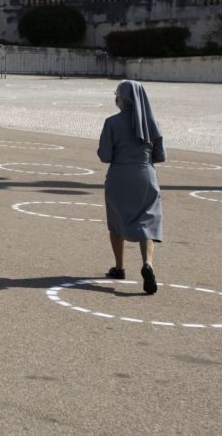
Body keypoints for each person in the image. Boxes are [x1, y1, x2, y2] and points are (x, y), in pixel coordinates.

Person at [97, 80, 165, 294]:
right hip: (146, 175)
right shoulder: (152, 123)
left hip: (119, 176)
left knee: (117, 221)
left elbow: (105, 156)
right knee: (147, 221)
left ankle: (119, 267)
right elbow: (160, 156)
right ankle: (148, 264)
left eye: (117, 94)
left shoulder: (112, 122)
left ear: (123, 98)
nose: (115, 98)